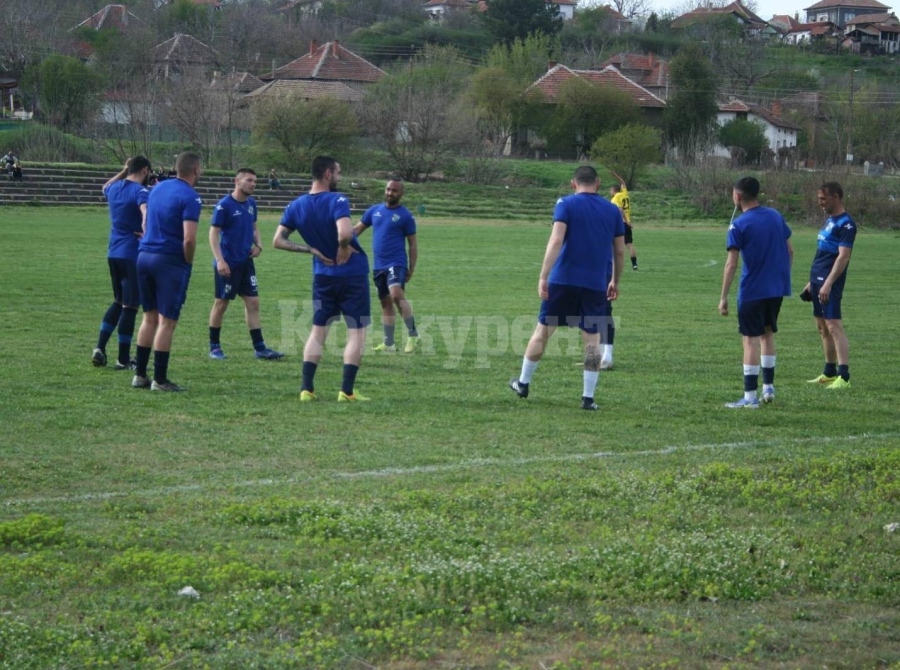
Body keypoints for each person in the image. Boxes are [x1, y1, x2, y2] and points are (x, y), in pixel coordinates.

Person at [509, 165, 626, 411]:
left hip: (562, 280)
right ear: (598, 182)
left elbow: (556, 239)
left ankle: (523, 382)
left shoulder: (565, 203)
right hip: (595, 284)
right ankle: (587, 397)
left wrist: (543, 275)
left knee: (543, 332)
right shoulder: (613, 210)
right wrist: (615, 280)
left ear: (573, 183)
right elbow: (618, 250)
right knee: (592, 341)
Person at [274, 155, 370, 403]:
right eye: (338, 172)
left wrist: (311, 250)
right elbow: (344, 232)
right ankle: (346, 391)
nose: (339, 177)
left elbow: (278, 240)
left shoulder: (296, 205)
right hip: (352, 276)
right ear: (327, 174)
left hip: (322, 277)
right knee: (356, 332)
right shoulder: (337, 199)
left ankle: (307, 389)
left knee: (318, 331)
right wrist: (343, 248)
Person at [718, 176, 793, 408]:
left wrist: (723, 297)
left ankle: (750, 397)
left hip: (752, 289)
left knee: (749, 340)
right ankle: (768, 387)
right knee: (767, 335)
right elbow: (790, 251)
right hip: (776, 288)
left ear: (737, 197)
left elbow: (731, 264)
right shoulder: (775, 216)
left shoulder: (738, 224)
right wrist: (781, 276)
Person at [132, 152, 203, 392]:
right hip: (169, 261)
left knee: (148, 317)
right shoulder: (191, 197)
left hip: (144, 256)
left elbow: (146, 223)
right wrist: (188, 262)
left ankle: (140, 375)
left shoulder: (158, 188)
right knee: (167, 322)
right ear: (196, 170)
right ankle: (160, 380)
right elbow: (189, 239)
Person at [207, 168, 283, 361]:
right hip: (228, 263)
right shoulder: (224, 205)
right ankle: (214, 347)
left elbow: (254, 226)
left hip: (246, 262)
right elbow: (213, 234)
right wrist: (220, 260)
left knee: (253, 302)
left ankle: (260, 348)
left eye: (255, 181)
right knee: (221, 303)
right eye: (249, 180)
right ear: (237, 181)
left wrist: (259, 244)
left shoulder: (251, 204)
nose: (253, 184)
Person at [92, 156, 152, 370]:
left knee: (119, 300)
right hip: (132, 253)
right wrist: (146, 234)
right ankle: (123, 359)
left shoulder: (115, 188)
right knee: (130, 305)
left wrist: (123, 170)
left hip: (113, 252)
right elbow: (145, 213)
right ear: (145, 170)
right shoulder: (141, 192)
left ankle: (100, 347)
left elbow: (104, 187)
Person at [353, 178, 419, 353]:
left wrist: (411, 267)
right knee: (386, 304)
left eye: (394, 190)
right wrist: (340, 240)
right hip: (378, 266)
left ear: (401, 193)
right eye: (388, 189)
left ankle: (413, 335)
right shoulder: (374, 211)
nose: (390, 193)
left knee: (396, 294)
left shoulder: (405, 216)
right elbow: (356, 231)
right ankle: (389, 343)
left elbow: (412, 244)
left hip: (396, 263)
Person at [803, 182, 856, 389]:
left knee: (834, 326)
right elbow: (821, 253)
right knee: (822, 327)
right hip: (817, 280)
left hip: (829, 283)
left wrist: (828, 283)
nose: (820, 202)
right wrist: (812, 281)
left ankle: (844, 376)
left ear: (835, 197)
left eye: (823, 199)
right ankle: (829, 372)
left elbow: (843, 257)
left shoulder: (847, 224)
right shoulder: (829, 221)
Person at [609, 172, 638, 271]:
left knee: (613, 244)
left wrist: (625, 221)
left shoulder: (615, 198)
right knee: (629, 244)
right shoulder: (625, 194)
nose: (610, 192)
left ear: (614, 190)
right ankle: (634, 265)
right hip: (627, 224)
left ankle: (613, 265)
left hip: (620, 223)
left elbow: (620, 210)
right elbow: (623, 182)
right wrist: (616, 175)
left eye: (610, 190)